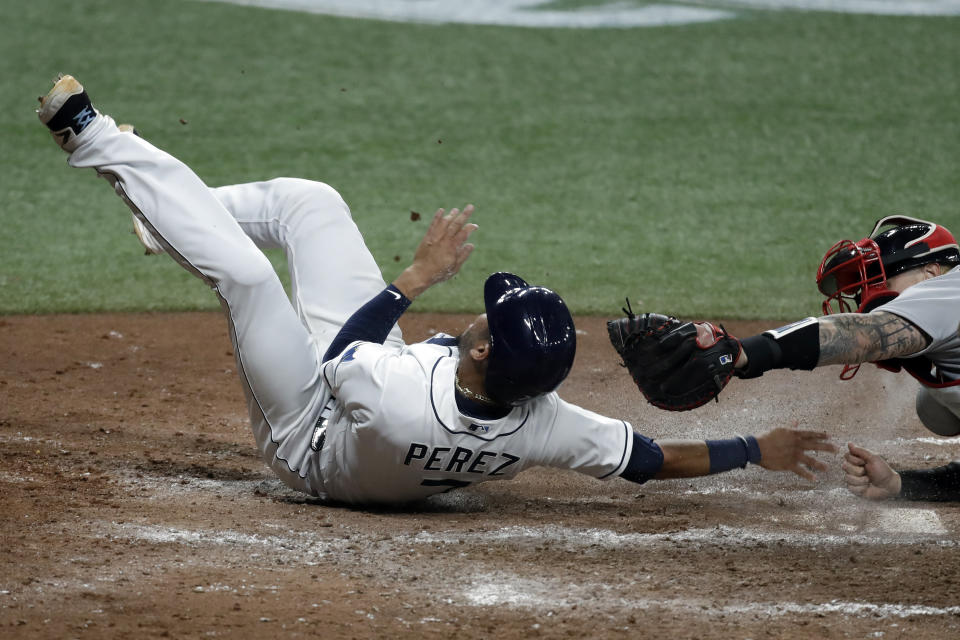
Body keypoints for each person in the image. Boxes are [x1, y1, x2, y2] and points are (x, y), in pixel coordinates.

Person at [37, 74, 835, 506]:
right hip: (370, 379)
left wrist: (415, 278)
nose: (479, 318)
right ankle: (172, 219)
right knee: (309, 202)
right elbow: (650, 459)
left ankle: (92, 138)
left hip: (307, 431)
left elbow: (344, 351)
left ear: (485, 350)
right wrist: (756, 451)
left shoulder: (391, 394)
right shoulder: (544, 424)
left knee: (246, 280)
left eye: (488, 320)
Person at [709, 215, 959, 501]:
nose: (871, 297)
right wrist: (898, 484)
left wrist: (744, 353)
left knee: (936, 408)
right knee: (936, 407)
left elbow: (862, 337)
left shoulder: (950, 291)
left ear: (931, 273)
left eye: (884, 281)